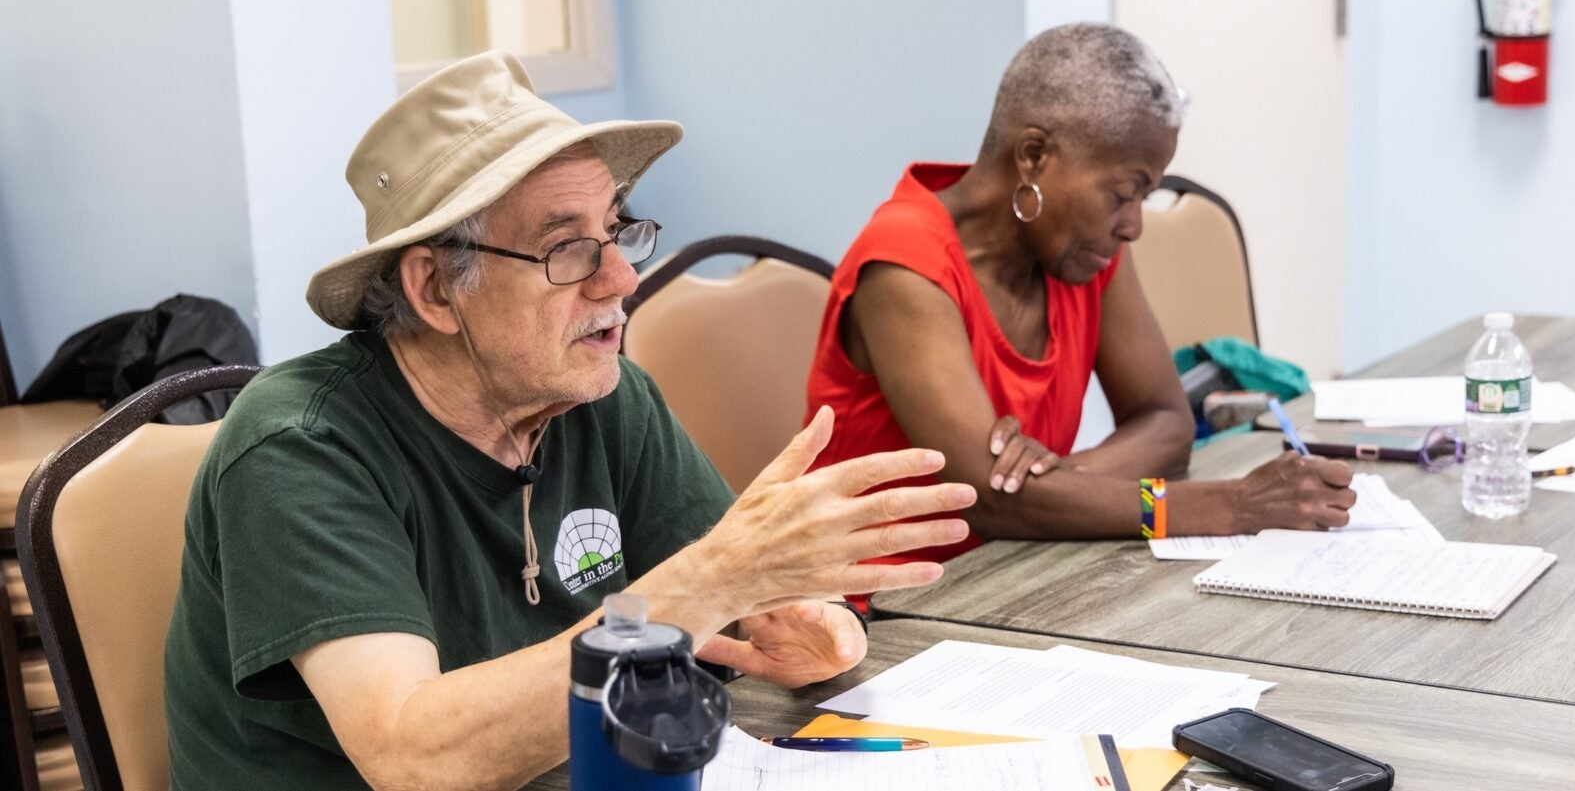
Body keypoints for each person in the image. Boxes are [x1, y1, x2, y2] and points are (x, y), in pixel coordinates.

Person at [163, 52, 974, 790]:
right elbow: (413, 755)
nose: (619, 275)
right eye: (566, 249)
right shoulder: (300, 446)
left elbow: (735, 599)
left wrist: (813, 625)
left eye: (616, 229)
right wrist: (720, 575)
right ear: (436, 290)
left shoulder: (601, 396)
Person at [805, 24, 1354, 579]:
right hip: (869, 610)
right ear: (1034, 156)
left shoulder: (1083, 249)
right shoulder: (903, 265)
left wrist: (1061, 480)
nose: (1133, 224)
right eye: (1122, 194)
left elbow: (1166, 422)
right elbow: (988, 498)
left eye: (1144, 197)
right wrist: (1233, 505)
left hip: (1020, 571)